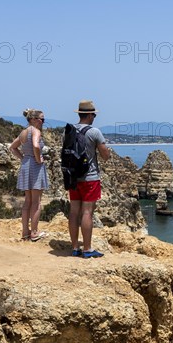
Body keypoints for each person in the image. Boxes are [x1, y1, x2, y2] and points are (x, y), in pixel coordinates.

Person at [68, 100, 110, 258]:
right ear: (90, 115)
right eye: (94, 114)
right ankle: (87, 249)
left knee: (73, 212)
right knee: (87, 213)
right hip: (90, 178)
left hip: (72, 177)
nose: (94, 117)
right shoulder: (94, 132)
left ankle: (74, 247)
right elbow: (105, 156)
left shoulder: (69, 130)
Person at [9, 108, 49, 241]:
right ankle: (34, 233)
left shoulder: (23, 132)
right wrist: (38, 159)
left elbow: (12, 147)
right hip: (35, 166)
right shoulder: (35, 131)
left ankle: (25, 232)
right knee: (36, 202)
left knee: (27, 201)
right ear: (33, 119)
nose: (43, 121)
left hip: (26, 165)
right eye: (41, 119)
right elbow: (36, 146)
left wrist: (23, 158)